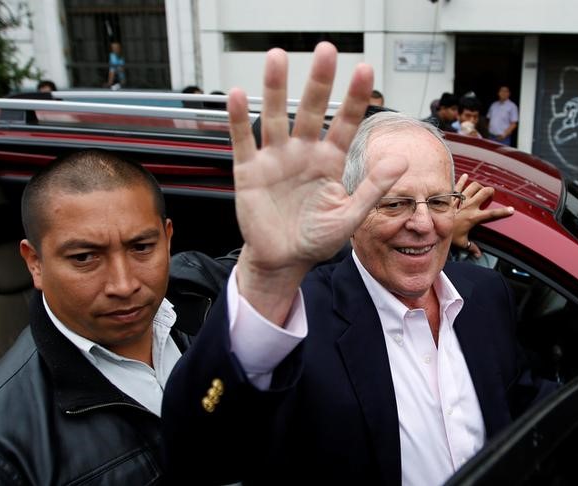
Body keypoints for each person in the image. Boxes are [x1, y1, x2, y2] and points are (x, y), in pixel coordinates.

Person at [162, 42, 551, 485]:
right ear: (349, 211)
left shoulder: (486, 295)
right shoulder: (297, 323)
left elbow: (522, 406)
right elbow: (198, 450)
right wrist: (267, 277)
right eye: (395, 203)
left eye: (439, 201)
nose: (423, 224)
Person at [0, 150, 194, 484]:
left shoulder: (211, 298)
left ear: (167, 239)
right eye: (84, 257)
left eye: (141, 247)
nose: (124, 285)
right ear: (35, 263)